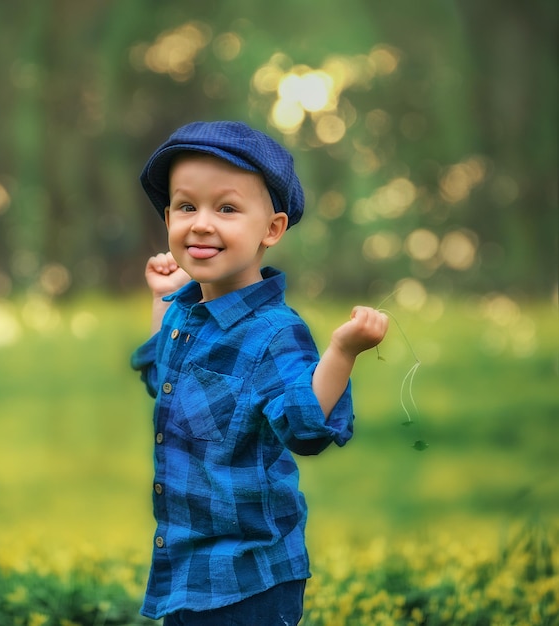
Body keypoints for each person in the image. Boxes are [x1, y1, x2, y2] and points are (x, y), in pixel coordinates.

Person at [131, 120, 388, 625]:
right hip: (186, 568)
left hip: (251, 576)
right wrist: (162, 298)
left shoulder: (273, 332)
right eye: (187, 207)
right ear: (167, 218)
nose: (201, 223)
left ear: (272, 228)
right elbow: (162, 376)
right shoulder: (184, 311)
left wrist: (343, 351)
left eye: (226, 208)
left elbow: (304, 427)